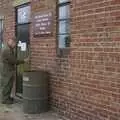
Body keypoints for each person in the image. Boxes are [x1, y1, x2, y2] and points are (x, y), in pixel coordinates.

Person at [0, 38, 28, 104]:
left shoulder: (8, 48)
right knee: (7, 85)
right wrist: (24, 61)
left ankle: (7, 97)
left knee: (8, 85)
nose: (15, 46)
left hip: (7, 70)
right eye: (15, 44)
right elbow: (13, 61)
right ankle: (5, 100)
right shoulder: (7, 50)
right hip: (7, 70)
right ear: (11, 42)